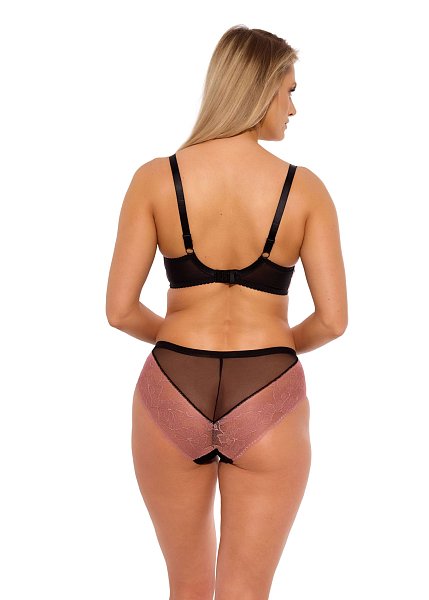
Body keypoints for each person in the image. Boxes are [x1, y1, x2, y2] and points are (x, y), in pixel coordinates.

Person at [106, 24, 347, 600]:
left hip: (173, 382)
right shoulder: (304, 190)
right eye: (289, 91)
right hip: (268, 385)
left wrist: (180, 335)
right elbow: (333, 321)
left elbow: (119, 310)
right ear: (260, 89)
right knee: (246, 591)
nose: (293, 108)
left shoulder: (155, 179)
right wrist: (274, 343)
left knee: (187, 588)